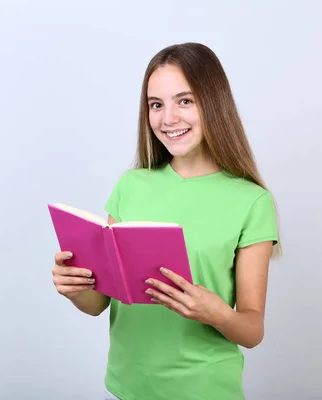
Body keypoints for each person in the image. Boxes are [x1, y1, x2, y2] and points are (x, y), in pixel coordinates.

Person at [51, 42, 281, 400]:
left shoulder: (251, 201)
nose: (168, 118)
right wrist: (74, 286)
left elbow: (252, 330)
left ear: (214, 103)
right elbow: (98, 304)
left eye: (184, 101)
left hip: (204, 389)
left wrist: (216, 313)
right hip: (127, 386)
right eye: (156, 105)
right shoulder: (131, 185)